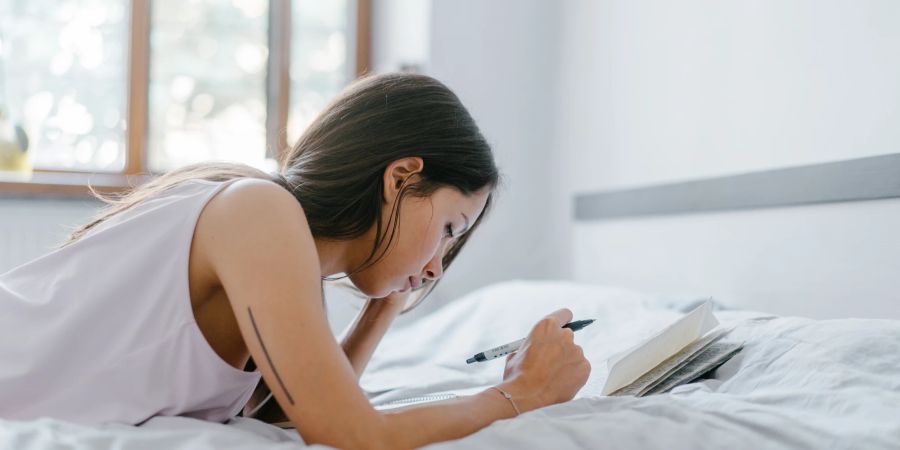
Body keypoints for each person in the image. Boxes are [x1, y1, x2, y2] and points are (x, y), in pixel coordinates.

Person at [0, 73, 591, 448]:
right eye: (446, 230)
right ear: (401, 177)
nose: (437, 267)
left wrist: (381, 310)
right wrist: (521, 394)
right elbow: (349, 433)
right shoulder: (260, 212)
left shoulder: (270, 229)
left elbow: (293, 413)